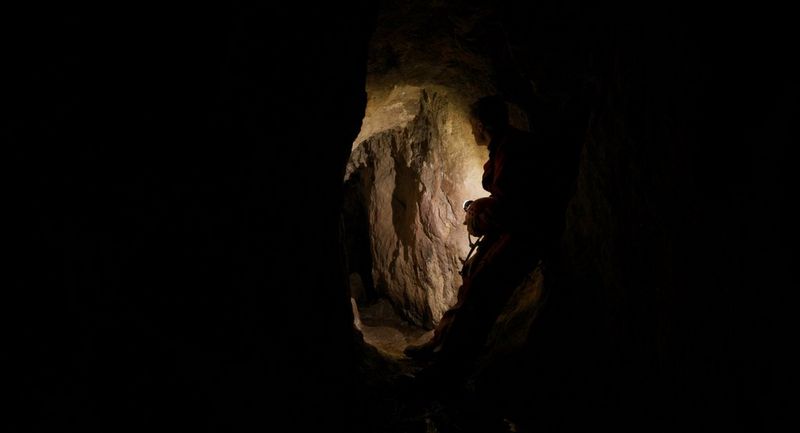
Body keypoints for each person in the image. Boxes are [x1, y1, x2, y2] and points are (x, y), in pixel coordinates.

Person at [403, 95, 559, 390]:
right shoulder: (507, 146)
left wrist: (480, 217)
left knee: (479, 295)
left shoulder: (511, 151)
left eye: (473, 127)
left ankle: (446, 371)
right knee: (471, 279)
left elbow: (514, 206)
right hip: (514, 229)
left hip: (522, 236)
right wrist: (484, 205)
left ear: (480, 125)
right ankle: (439, 344)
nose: (472, 132)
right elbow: (508, 196)